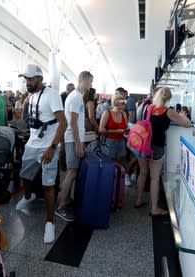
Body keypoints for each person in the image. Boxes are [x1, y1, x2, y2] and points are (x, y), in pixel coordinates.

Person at [14, 64, 67, 244]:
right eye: (26, 79)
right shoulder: (32, 95)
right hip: (32, 144)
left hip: (48, 146)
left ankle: (49, 223)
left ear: (39, 79)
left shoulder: (51, 95)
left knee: (48, 185)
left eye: (30, 79)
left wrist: (52, 148)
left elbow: (63, 123)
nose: (27, 82)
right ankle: (29, 196)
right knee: (25, 175)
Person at [134, 87, 191, 215]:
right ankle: (154, 209)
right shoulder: (169, 112)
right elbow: (187, 124)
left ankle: (138, 200)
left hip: (143, 144)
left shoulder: (148, 108)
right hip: (157, 146)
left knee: (142, 172)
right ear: (169, 98)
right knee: (154, 178)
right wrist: (182, 115)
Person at [55, 71, 93, 222]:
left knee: (73, 172)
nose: (90, 85)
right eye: (90, 82)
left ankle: (66, 200)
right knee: (71, 172)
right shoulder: (76, 97)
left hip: (74, 138)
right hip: (72, 139)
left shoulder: (76, 97)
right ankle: (61, 206)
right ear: (83, 80)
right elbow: (72, 123)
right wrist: (78, 145)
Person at [99, 94, 129, 171]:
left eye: (122, 108)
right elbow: (101, 129)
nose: (121, 110)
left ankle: (117, 179)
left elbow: (125, 127)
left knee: (120, 162)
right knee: (108, 163)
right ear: (114, 104)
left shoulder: (123, 113)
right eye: (119, 108)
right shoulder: (107, 113)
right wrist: (115, 131)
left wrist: (127, 130)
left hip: (121, 141)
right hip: (109, 141)